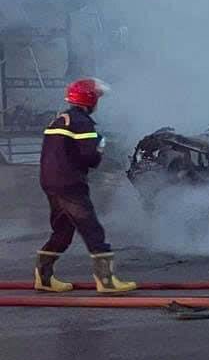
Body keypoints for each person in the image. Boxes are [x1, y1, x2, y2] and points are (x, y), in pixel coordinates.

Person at [35, 78, 137, 294]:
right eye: (97, 99)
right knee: (91, 228)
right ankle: (106, 281)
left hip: (50, 182)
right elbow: (90, 157)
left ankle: (43, 278)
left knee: (62, 230)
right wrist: (100, 145)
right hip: (69, 183)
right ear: (90, 100)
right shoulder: (82, 123)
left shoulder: (60, 119)